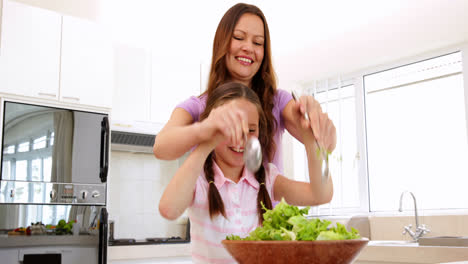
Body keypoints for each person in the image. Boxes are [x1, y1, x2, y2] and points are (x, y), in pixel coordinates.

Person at [159, 82, 333, 264]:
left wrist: (311, 140)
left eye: (251, 130)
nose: (241, 138)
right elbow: (169, 210)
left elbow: (319, 194)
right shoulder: (198, 178)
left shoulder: (266, 177)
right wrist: (206, 142)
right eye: (229, 128)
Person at [153, 3, 337, 174]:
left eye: (257, 43)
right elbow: (161, 148)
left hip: (268, 210)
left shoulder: (279, 101)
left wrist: (317, 121)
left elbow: (325, 143)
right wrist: (205, 128)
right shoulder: (196, 107)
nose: (248, 48)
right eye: (239, 38)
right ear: (222, 43)